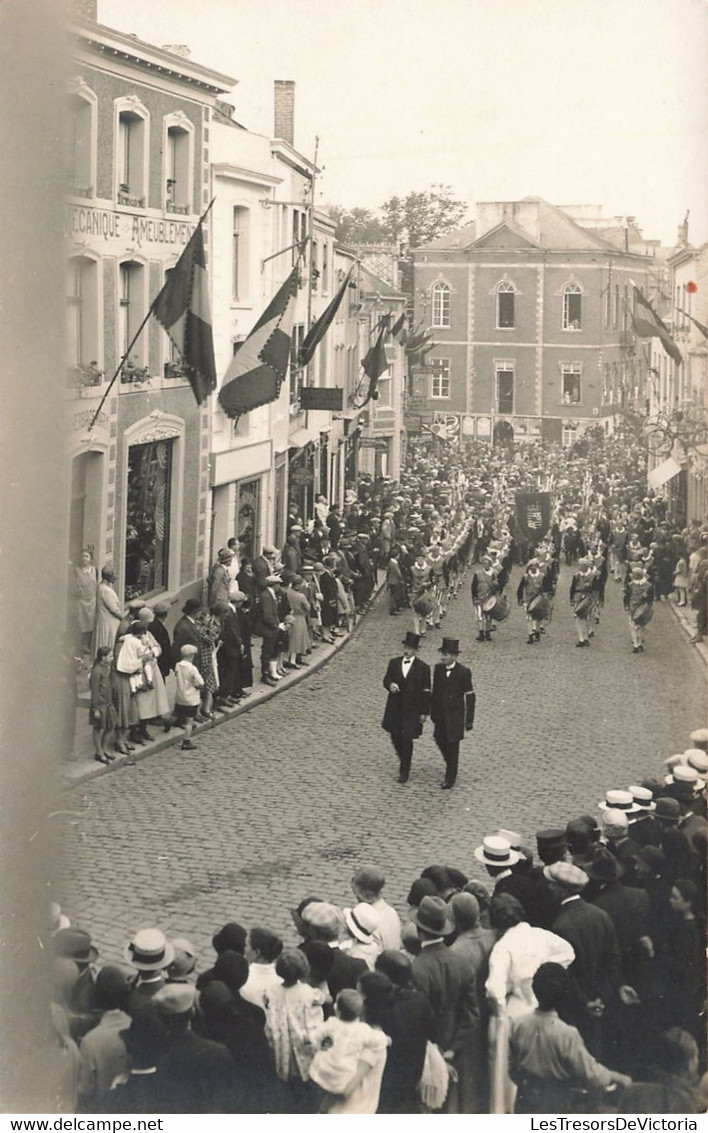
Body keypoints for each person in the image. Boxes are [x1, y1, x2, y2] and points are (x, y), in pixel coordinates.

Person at [485, 892, 576, 1114]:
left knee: (507, 1072)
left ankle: (506, 1111)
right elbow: (568, 952)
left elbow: (493, 988)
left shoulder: (503, 946)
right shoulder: (541, 935)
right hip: (539, 1003)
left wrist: (499, 1015)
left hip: (516, 1009)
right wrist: (543, 974)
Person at [509, 963, 631, 1114]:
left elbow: (512, 1069)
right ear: (564, 994)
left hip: (525, 1103)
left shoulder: (518, 1024)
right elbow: (593, 1075)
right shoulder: (566, 1034)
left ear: (534, 989)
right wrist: (618, 1077)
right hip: (555, 1106)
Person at [308, 988, 390, 1113]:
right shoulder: (364, 1031)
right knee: (335, 1088)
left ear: (337, 1010)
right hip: (344, 1075)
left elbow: (314, 1037)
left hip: (325, 1070)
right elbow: (379, 1039)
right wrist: (387, 1039)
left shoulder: (331, 1023)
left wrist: (317, 1043)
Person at [381, 631, 431, 784]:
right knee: (395, 735)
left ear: (416, 650)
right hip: (395, 707)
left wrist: (424, 712)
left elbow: (427, 690)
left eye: (411, 649)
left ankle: (405, 770)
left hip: (412, 708)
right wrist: (391, 685)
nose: (408, 651)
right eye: (406, 648)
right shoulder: (394, 663)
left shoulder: (423, 667)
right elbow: (386, 679)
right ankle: (404, 758)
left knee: (407, 738)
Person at [430, 637, 476, 789]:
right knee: (439, 740)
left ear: (454, 656)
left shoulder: (464, 672)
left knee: (453, 744)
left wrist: (469, 720)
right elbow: (435, 692)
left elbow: (470, 695)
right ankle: (451, 764)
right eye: (442, 654)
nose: (443, 657)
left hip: (455, 715)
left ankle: (450, 776)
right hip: (441, 715)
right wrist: (432, 711)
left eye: (446, 654)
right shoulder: (438, 669)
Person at [88, 646, 116, 764]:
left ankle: (104, 749)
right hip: (100, 705)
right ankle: (99, 752)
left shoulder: (107, 668)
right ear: (103, 657)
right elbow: (95, 690)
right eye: (110, 656)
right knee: (98, 728)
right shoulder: (97, 671)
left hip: (108, 703)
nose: (112, 658)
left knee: (110, 726)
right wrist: (96, 709)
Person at [173, 644, 204, 751]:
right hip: (191, 698)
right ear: (191, 656)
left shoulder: (178, 665)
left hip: (180, 695)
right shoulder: (192, 668)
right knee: (189, 721)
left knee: (177, 712)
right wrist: (197, 685)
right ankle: (186, 741)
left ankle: (167, 722)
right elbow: (201, 682)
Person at [624, 563, 654, 654]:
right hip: (632, 607)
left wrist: (647, 601)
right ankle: (636, 644)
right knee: (633, 626)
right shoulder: (630, 585)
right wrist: (626, 605)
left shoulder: (648, 585)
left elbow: (651, 598)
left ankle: (639, 643)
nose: (633, 576)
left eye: (634, 574)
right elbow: (627, 596)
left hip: (642, 607)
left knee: (641, 626)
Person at [94, 566, 125, 653]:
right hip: (109, 622)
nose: (116, 577)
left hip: (106, 620)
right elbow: (114, 609)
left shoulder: (102, 588)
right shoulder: (106, 591)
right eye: (114, 575)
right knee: (108, 643)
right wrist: (123, 617)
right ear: (109, 577)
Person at [73, 550, 98, 654]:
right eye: (82, 556)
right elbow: (73, 586)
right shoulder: (77, 570)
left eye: (86, 556)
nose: (84, 558)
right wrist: (77, 590)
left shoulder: (94, 570)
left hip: (92, 600)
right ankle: (83, 645)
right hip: (82, 602)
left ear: (90, 559)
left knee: (92, 623)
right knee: (83, 623)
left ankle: (90, 644)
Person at [569, 557, 597, 647]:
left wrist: (590, 587)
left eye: (581, 565)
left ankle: (586, 637)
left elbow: (596, 588)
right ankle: (581, 638)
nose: (579, 567)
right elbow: (572, 588)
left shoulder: (592, 576)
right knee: (578, 617)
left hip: (588, 597)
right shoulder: (576, 575)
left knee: (587, 617)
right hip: (578, 596)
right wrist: (571, 599)